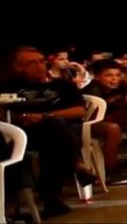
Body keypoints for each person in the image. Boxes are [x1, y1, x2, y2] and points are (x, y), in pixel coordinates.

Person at [2, 46, 98, 217]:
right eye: (32, 63)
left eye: (41, 61)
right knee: (52, 138)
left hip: (62, 132)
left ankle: (49, 197)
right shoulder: (8, 87)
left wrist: (45, 115)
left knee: (53, 131)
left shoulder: (63, 86)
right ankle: (74, 167)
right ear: (17, 67)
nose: (39, 66)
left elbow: (79, 111)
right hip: (25, 133)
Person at [82, 59, 127, 185]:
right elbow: (95, 117)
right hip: (92, 123)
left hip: (118, 118)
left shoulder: (122, 86)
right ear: (97, 76)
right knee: (113, 129)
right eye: (109, 75)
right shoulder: (92, 91)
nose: (114, 79)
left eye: (118, 75)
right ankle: (110, 172)